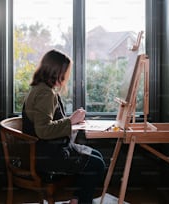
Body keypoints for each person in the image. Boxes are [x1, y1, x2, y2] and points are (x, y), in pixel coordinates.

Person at [22, 49, 106, 204]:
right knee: (97, 165)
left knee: (97, 157)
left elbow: (46, 122)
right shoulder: (45, 94)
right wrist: (70, 121)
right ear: (57, 72)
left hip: (46, 151)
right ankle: (81, 201)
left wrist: (70, 120)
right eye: (66, 72)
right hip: (48, 156)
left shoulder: (40, 89)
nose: (67, 76)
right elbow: (43, 130)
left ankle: (76, 200)